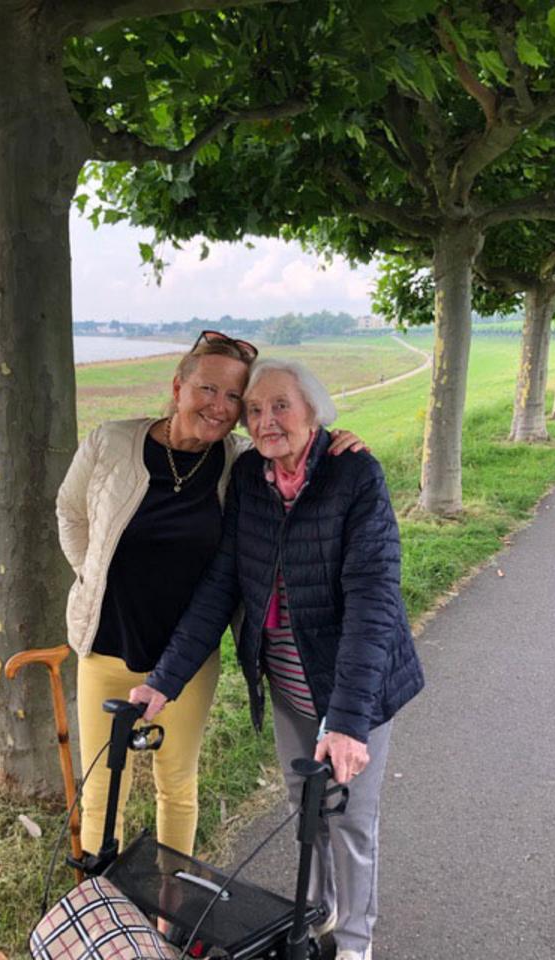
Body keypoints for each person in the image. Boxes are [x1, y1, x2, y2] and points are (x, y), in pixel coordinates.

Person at [130, 358, 425, 960]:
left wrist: (346, 721)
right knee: (303, 805)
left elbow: (374, 599)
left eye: (281, 406)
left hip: (354, 688)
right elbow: (222, 584)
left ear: (314, 412)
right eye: (256, 409)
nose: (266, 421)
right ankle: (313, 913)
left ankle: (354, 942)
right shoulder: (248, 478)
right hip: (289, 683)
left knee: (349, 816)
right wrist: (164, 681)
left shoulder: (354, 474)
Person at [56, 334, 364, 858]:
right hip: (105, 647)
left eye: (233, 399)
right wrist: (93, 574)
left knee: (176, 785)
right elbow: (70, 512)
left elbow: (291, 441)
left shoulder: (239, 463)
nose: (219, 407)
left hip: (187, 657)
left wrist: (337, 444)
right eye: (206, 389)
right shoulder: (110, 442)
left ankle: (169, 912)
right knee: (102, 783)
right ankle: (102, 902)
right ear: (179, 387)